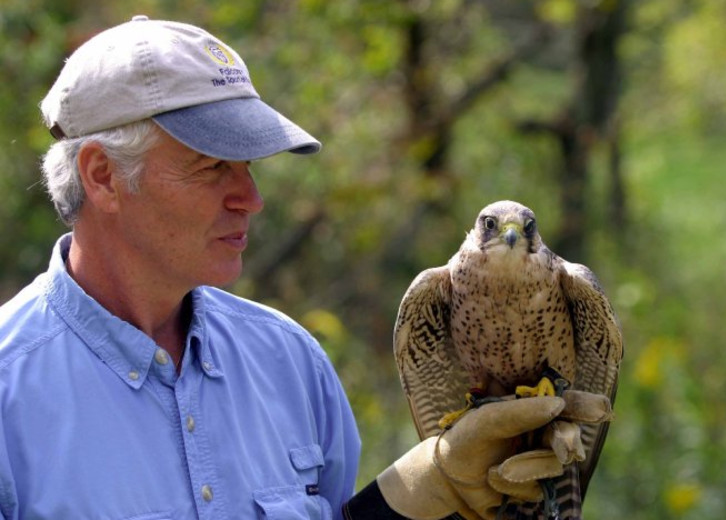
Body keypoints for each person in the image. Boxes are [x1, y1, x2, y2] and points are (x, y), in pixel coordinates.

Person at [0, 16, 610, 520]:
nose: (251, 199)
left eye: (250, 167)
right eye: (213, 166)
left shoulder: (289, 361)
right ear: (103, 176)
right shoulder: (11, 392)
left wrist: (428, 492)